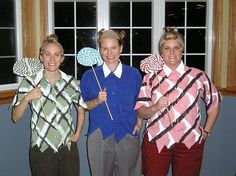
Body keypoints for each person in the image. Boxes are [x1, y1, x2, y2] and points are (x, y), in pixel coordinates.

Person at [135, 27, 222, 176]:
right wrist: (155, 107)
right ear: (161, 52)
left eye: (176, 47)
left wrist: (206, 131)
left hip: (190, 141)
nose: (172, 52)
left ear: (182, 50)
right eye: (167, 48)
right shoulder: (150, 77)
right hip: (156, 141)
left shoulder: (198, 76)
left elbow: (214, 103)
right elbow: (141, 112)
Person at [11, 34, 86, 176]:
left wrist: (77, 134)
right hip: (41, 147)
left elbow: (81, 107)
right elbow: (15, 117)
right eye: (47, 54)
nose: (52, 59)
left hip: (67, 147)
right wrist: (27, 97)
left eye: (57, 55)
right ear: (41, 57)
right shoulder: (29, 82)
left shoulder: (71, 82)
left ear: (62, 58)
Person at [80, 29, 142, 176]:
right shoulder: (89, 76)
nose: (110, 53)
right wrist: (97, 100)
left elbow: (141, 102)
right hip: (100, 134)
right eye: (105, 49)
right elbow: (84, 105)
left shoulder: (133, 74)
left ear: (120, 48)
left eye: (113, 48)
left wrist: (139, 123)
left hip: (127, 132)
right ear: (100, 51)